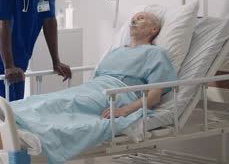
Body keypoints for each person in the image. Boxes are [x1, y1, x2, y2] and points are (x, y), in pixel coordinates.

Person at [11, 12, 177, 163]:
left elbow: (155, 96)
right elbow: (95, 80)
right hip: (94, 88)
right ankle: (13, 115)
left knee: (68, 103)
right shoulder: (115, 52)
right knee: (52, 99)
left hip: (117, 95)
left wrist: (125, 110)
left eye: (140, 19)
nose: (134, 21)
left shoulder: (156, 54)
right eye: (132, 19)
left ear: (154, 29)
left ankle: (22, 125)